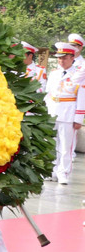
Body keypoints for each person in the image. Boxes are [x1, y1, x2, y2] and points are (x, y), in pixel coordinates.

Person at [44, 43, 84, 185]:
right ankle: (52, 171)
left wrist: (78, 118)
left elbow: (81, 98)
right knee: (51, 145)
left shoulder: (78, 75)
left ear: (72, 58)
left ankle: (63, 173)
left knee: (66, 147)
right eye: (60, 58)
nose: (61, 61)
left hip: (68, 114)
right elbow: (47, 94)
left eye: (65, 58)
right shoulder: (54, 74)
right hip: (52, 112)